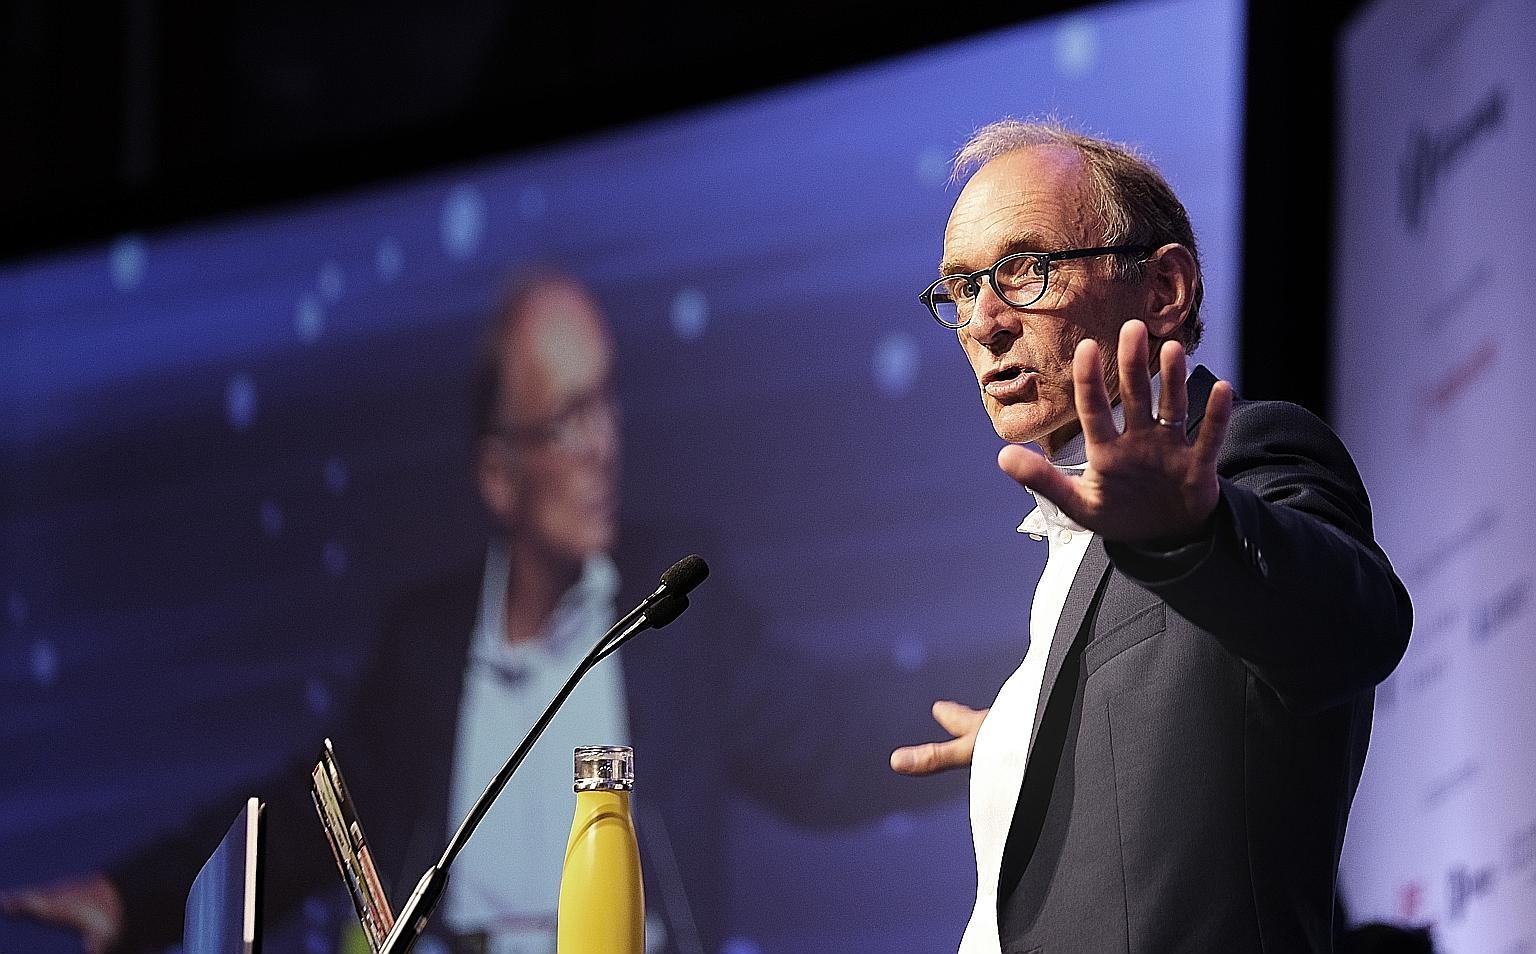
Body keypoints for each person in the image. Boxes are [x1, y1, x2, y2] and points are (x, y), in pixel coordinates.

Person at [3, 272, 975, 954]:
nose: (601, 445)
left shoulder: (671, 613)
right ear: (498, 475)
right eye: (564, 419)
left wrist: (1028, 699)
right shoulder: (427, 645)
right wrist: (134, 898)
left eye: (605, 405)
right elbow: (307, 816)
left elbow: (832, 740)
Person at [888, 121, 1412, 953]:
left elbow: (1358, 629)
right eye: (959, 288)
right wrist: (1028, 733)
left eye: (1024, 271)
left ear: (1164, 287)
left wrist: (1195, 536)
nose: (983, 322)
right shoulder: (1071, 550)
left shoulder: (1246, 455)